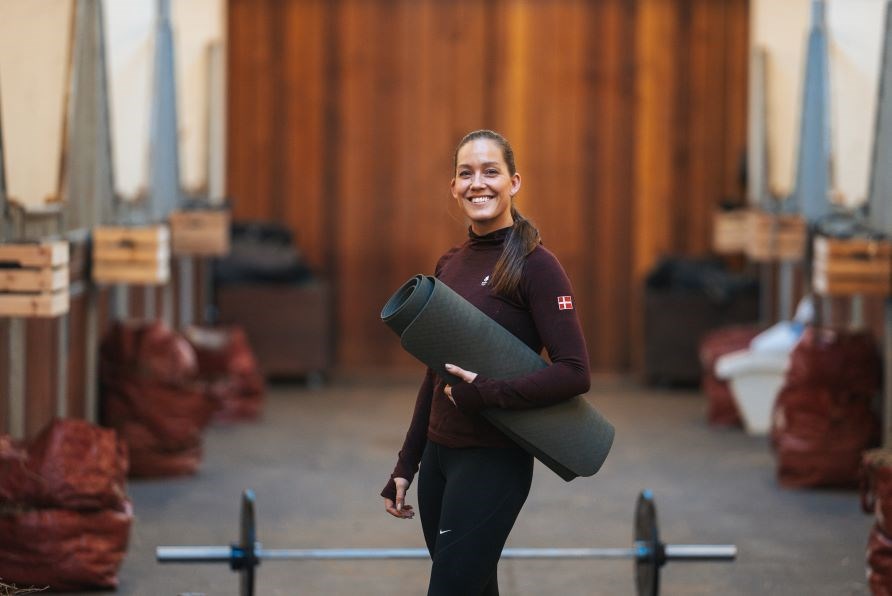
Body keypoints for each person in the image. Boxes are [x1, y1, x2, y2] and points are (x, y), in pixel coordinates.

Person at [380, 129, 591, 596]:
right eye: (466, 173)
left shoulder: (538, 266)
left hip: (493, 462)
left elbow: (575, 373)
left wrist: (487, 393)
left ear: (514, 182)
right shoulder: (449, 264)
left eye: (491, 172)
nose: (479, 183)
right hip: (439, 459)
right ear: (454, 187)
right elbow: (435, 373)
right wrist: (407, 463)